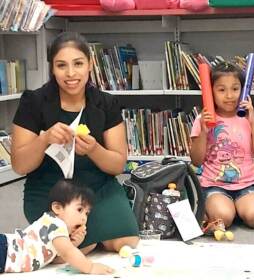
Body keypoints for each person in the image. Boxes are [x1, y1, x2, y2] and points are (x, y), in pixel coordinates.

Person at [10, 32, 139, 254]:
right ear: (52, 69)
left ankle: (89, 237)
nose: (71, 74)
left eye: (78, 64)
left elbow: (117, 165)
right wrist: (44, 139)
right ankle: (85, 240)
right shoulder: (34, 102)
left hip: (98, 188)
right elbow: (20, 165)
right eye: (61, 65)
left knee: (126, 242)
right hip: (51, 192)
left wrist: (94, 149)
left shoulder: (106, 103)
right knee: (79, 247)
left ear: (90, 65)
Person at [190, 61, 254, 231]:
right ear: (210, 92)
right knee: (224, 217)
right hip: (214, 185)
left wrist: (253, 122)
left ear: (243, 90)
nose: (229, 95)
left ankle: (240, 207)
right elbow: (196, 161)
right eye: (221, 89)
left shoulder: (250, 118)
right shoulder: (202, 119)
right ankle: (220, 209)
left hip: (247, 185)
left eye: (235, 88)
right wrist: (203, 132)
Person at [0, 179, 114, 274]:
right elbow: (67, 253)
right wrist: (90, 267)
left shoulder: (53, 226)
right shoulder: (56, 225)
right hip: (5, 250)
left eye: (86, 213)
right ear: (57, 208)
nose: (84, 217)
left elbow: (56, 259)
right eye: (79, 209)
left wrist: (74, 244)